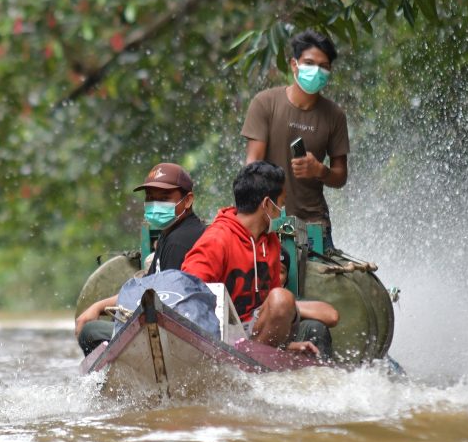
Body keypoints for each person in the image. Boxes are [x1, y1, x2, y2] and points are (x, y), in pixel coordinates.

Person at [180, 161, 338, 357]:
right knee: (282, 299)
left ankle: (260, 357)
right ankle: (250, 359)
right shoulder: (216, 240)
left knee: (282, 299)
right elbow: (187, 296)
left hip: (253, 336)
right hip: (219, 334)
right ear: (266, 204)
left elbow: (269, 308)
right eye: (280, 203)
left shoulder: (270, 243)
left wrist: (285, 347)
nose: (282, 210)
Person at [75, 162, 205, 355]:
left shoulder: (179, 242)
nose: (155, 205)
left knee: (90, 332)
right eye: (150, 198)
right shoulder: (170, 235)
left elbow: (173, 302)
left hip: (176, 337)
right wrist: (100, 306)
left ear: (187, 201)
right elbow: (145, 290)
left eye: (165, 198)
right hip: (167, 329)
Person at [241, 29, 349, 250]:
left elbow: (340, 176)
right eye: (309, 63)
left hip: (313, 224)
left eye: (323, 66)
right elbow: (252, 165)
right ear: (294, 64)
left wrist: (320, 170)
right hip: (267, 221)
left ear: (330, 71)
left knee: (322, 282)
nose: (316, 71)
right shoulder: (265, 103)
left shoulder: (335, 115)